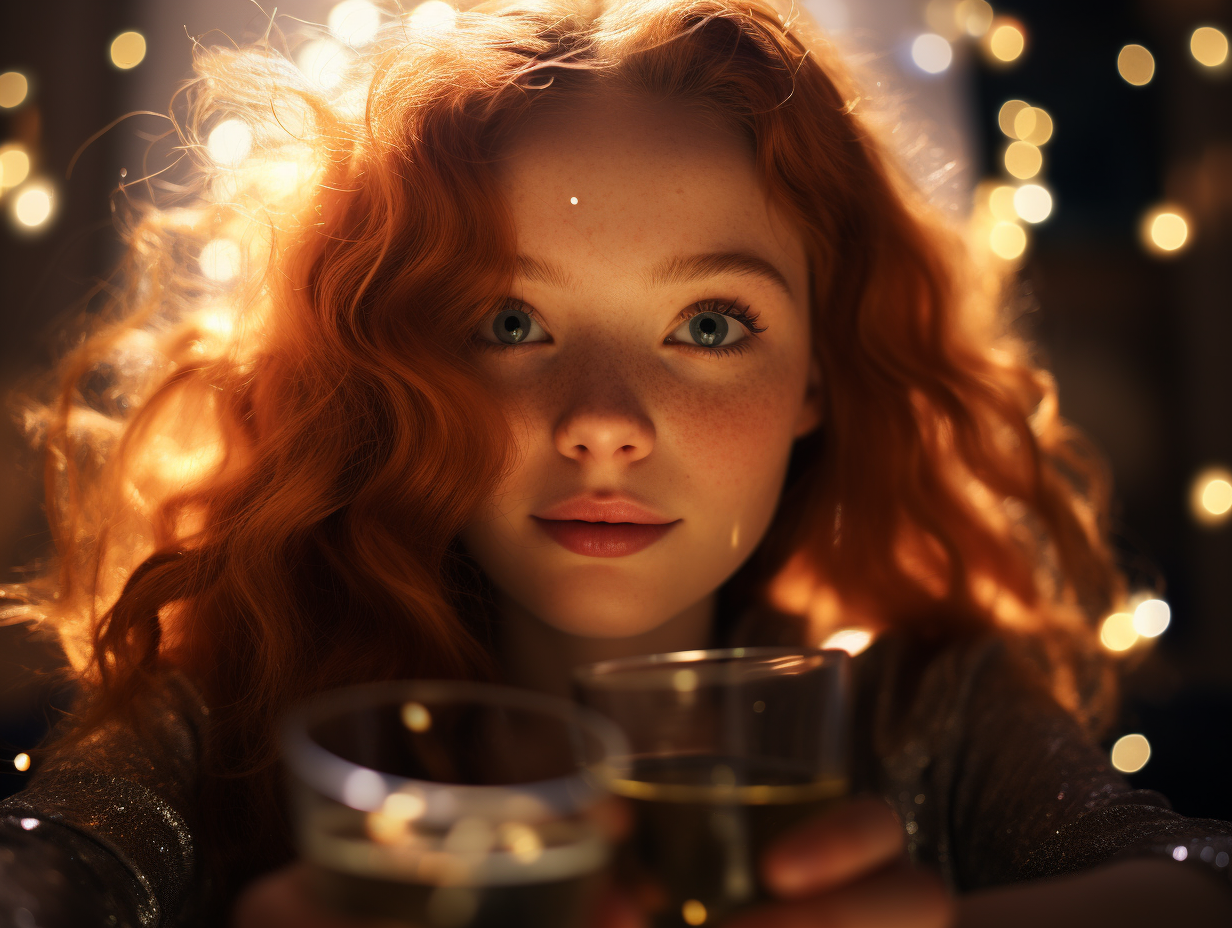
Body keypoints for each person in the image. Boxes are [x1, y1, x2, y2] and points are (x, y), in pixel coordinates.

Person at [1, 0, 1230, 925]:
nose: (602, 421)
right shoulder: (230, 698)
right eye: (510, 322)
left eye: (707, 325)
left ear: (816, 376)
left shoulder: (925, 705)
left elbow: (1182, 884)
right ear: (392, 366)